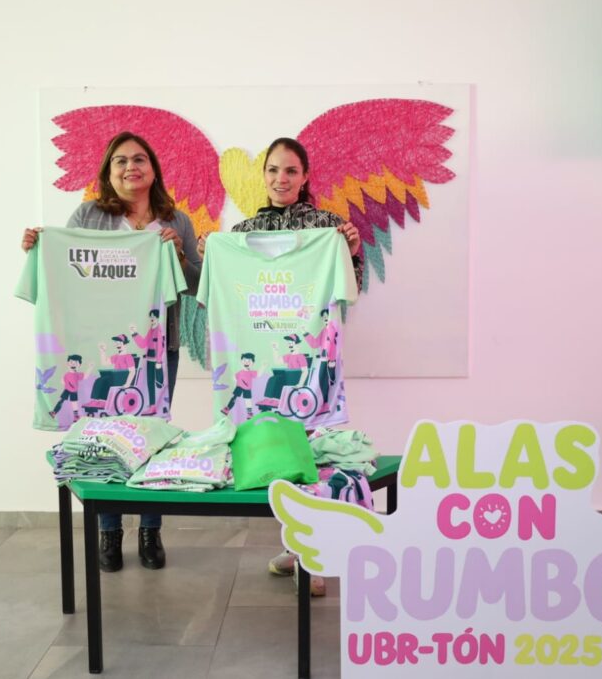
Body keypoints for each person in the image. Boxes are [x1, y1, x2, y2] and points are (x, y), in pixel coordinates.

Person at [22, 132, 201, 572]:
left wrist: (179, 257)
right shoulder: (89, 215)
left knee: (153, 435)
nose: (130, 167)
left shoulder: (175, 220)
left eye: (139, 159)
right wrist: (38, 248)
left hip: (158, 347)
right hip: (98, 348)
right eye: (120, 161)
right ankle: (109, 530)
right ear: (108, 171)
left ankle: (150, 529)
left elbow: (198, 284)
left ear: (153, 169)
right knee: (103, 438)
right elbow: (65, 265)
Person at [199, 137, 362, 596]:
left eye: (290, 170)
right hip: (257, 368)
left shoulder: (328, 228)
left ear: (305, 176)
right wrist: (210, 253)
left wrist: (350, 250)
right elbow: (216, 294)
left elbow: (351, 288)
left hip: (308, 363)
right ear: (264, 175)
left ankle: (314, 555)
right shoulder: (240, 234)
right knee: (274, 454)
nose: (280, 179)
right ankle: (294, 547)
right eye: (273, 170)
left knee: (312, 456)